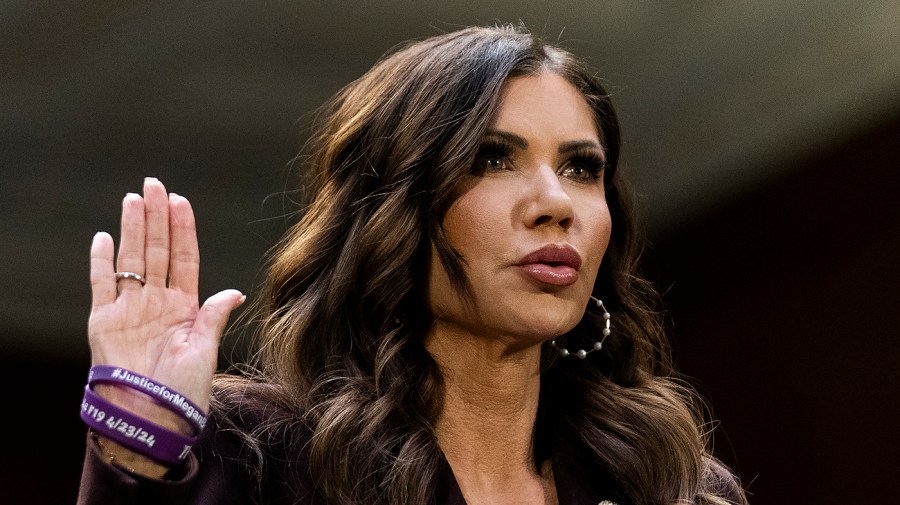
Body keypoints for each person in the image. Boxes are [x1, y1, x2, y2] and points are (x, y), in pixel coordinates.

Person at [77, 25, 747, 505]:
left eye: (581, 168)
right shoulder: (253, 456)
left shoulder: (670, 483)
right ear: (391, 212)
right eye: (492, 158)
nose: (555, 203)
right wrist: (139, 446)